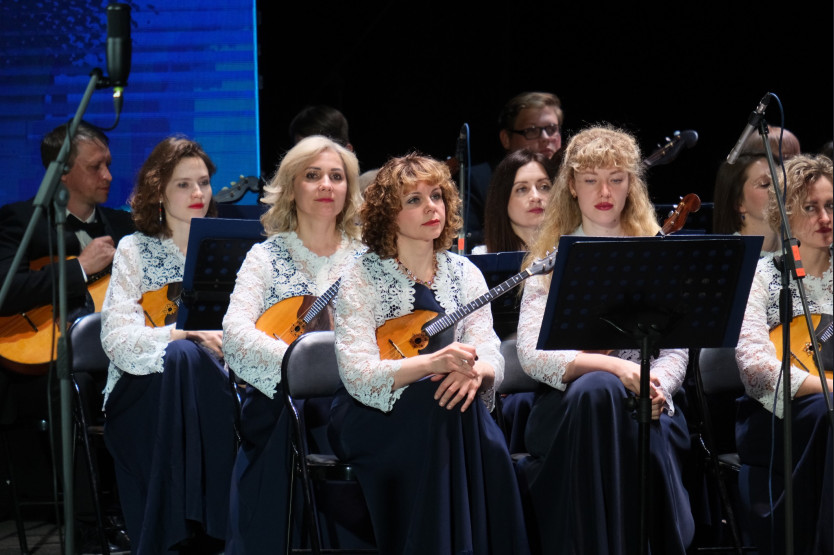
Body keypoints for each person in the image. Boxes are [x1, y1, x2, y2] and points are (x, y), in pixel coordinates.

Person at [328, 152, 531, 554]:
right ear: (389, 215)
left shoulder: (465, 272)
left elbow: (489, 349)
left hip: (447, 409)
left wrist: (478, 373)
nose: (431, 207)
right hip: (373, 412)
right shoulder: (359, 277)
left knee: (453, 401)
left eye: (436, 196)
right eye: (414, 200)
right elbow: (358, 375)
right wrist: (433, 363)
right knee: (447, 403)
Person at [515, 125, 695, 554]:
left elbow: (676, 349)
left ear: (631, 184)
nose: (604, 191)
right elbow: (532, 355)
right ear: (571, 187)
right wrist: (617, 368)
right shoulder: (549, 260)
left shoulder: (656, 252)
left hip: (647, 405)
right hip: (569, 412)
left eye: (616, 178)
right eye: (591, 179)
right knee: (596, 389)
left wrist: (657, 387)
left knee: (608, 396)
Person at [222, 135, 368, 553]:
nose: (326, 185)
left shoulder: (369, 258)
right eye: (313, 175)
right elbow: (235, 333)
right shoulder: (264, 257)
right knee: (290, 410)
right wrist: (299, 365)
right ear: (290, 188)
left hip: (355, 395)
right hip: (283, 398)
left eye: (336, 177)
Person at [0, 119, 134, 550]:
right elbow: (5, 291)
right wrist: (79, 269)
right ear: (61, 172)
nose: (108, 175)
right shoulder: (21, 221)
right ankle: (89, 524)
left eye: (109, 164)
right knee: (74, 385)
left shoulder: (124, 226)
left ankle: (150, 512)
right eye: (96, 167)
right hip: (41, 364)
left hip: (118, 351)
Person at [100, 135, 235, 554]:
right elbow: (117, 340)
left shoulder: (231, 248)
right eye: (183, 184)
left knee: (191, 362)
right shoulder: (134, 249)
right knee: (181, 354)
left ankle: (183, 528)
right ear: (159, 190)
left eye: (204, 183)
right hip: (142, 394)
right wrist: (184, 334)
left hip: (214, 391)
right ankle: (207, 526)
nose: (198, 193)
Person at [734, 153, 833, 555]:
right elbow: (756, 370)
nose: (824, 217)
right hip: (775, 414)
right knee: (827, 412)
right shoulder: (759, 278)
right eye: (810, 207)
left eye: (831, 205)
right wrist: (828, 388)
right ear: (785, 214)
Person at [466, 91, 564, 248]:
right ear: (506, 138)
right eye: (532, 130)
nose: (546, 138)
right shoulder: (480, 178)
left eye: (552, 128)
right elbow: (465, 237)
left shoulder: (573, 178)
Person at [472, 148, 556, 254]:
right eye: (522, 189)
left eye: (544, 187)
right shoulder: (482, 258)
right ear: (503, 200)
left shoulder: (569, 252)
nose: (536, 197)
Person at [712, 151, 780, 253]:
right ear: (739, 203)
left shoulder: (799, 244)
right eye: (765, 184)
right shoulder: (730, 254)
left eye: (780, 180)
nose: (779, 188)